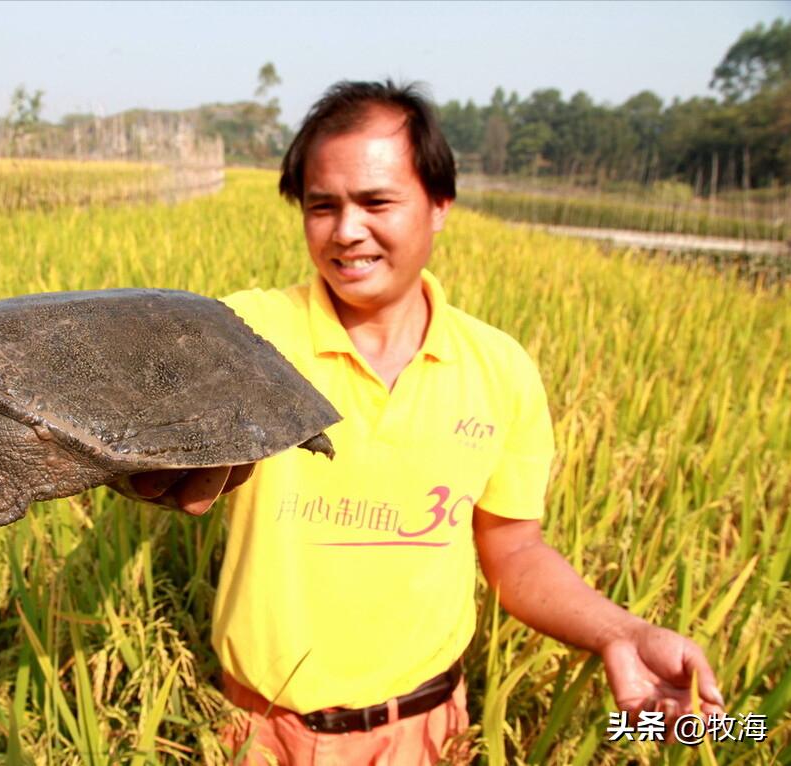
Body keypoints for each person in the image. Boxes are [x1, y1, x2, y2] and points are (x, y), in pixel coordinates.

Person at [123, 80, 724, 765]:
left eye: (376, 202)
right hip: (261, 734)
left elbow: (516, 554)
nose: (347, 231)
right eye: (323, 207)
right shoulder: (248, 332)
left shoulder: (500, 369)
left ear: (440, 205)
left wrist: (621, 633)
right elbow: (133, 413)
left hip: (427, 733)